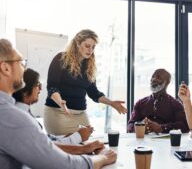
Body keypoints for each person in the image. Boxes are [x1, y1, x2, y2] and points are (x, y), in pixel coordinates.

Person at [0, 38, 116, 168]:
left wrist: (83, 147)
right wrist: (104, 157)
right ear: (5, 68)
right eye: (21, 62)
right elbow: (64, 165)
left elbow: (46, 144)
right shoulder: (11, 118)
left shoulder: (10, 114)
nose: (24, 67)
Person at [44, 29, 127, 135]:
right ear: (77, 44)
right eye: (87, 46)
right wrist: (61, 103)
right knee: (73, 147)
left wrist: (111, 103)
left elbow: (94, 93)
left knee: (88, 144)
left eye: (93, 47)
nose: (90, 50)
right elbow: (52, 87)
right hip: (58, 112)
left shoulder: (89, 66)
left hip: (80, 114)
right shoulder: (61, 58)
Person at [13, 68, 104, 155]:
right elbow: (45, 147)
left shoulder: (22, 112)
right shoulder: (21, 119)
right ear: (24, 91)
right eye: (37, 84)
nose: (40, 89)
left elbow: (47, 140)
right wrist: (79, 138)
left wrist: (72, 135)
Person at [128, 68, 189, 133]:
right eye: (153, 77)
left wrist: (162, 128)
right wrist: (140, 127)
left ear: (167, 82)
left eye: (158, 77)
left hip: (167, 142)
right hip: (142, 141)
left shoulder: (176, 104)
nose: (154, 79)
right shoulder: (140, 103)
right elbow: (129, 125)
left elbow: (184, 126)